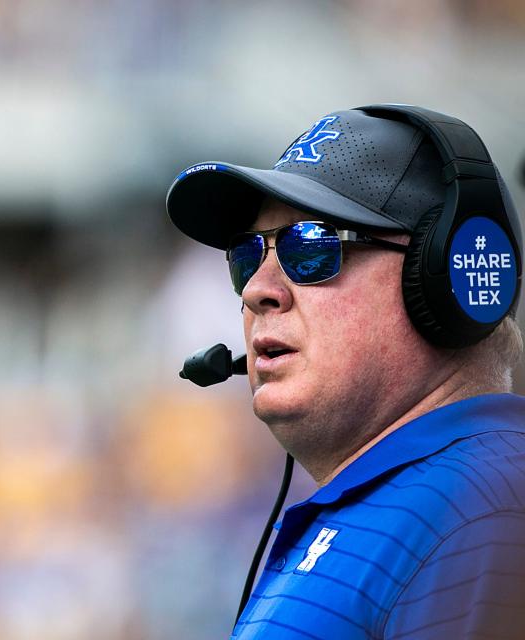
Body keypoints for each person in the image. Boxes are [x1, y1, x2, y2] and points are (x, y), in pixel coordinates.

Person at [165, 105, 525, 639]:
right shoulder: (422, 503)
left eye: (311, 245)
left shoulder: (482, 510)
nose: (257, 289)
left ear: (442, 277)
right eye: (246, 256)